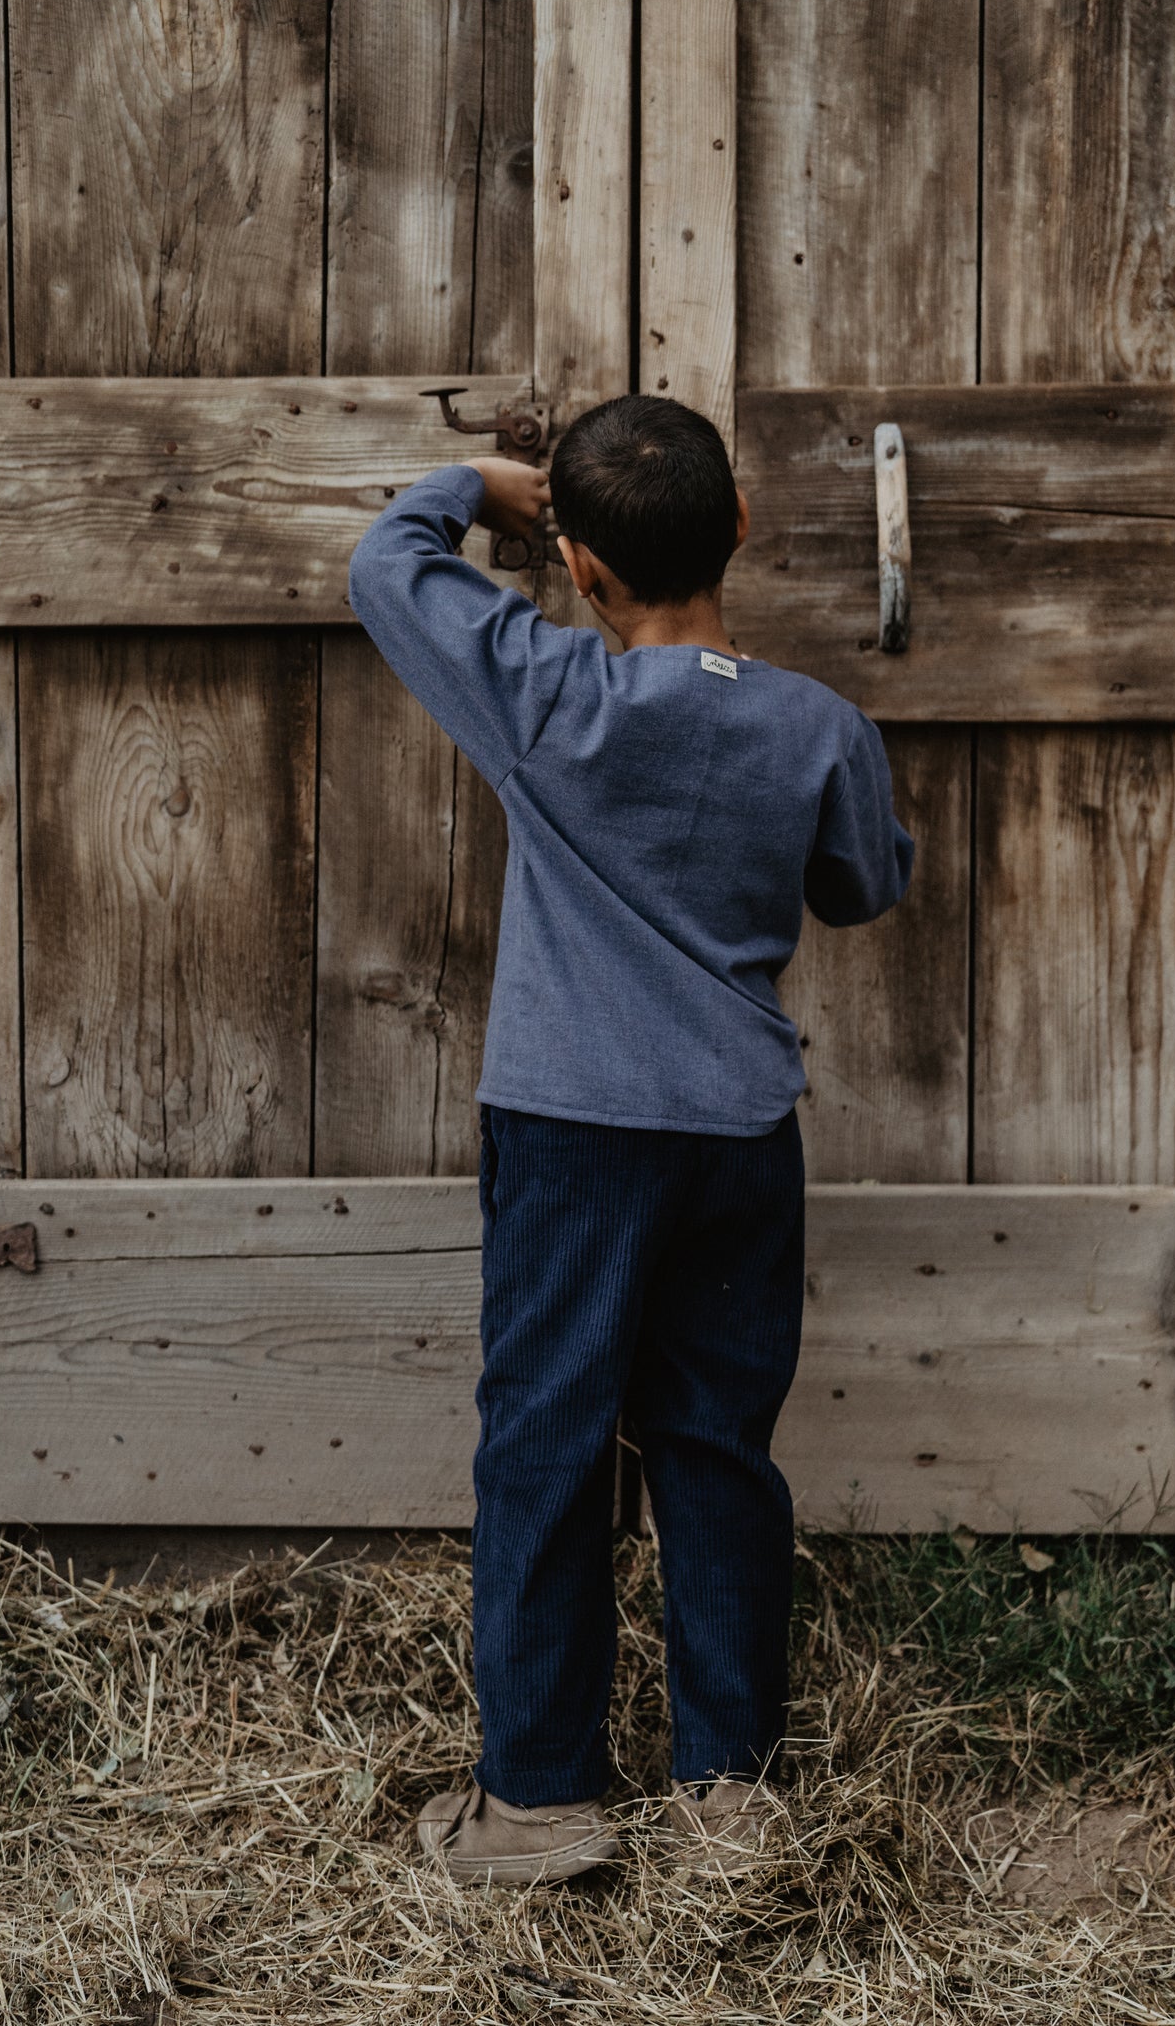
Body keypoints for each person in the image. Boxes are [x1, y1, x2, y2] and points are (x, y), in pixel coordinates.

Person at [348, 395, 913, 1886]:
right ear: (738, 525)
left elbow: (385, 565)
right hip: (738, 1132)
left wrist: (476, 483)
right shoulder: (818, 727)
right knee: (716, 1448)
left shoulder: (540, 694)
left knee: (543, 1439)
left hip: (573, 1132)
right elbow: (862, 888)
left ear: (579, 568)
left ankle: (538, 1802)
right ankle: (730, 1802)